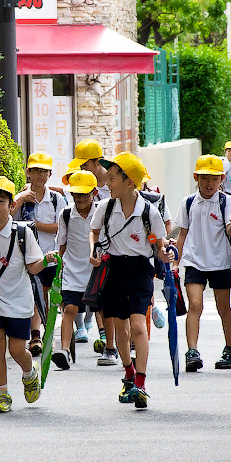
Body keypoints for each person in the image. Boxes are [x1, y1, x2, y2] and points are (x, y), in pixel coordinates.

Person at [88, 153, 173, 409]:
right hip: (113, 269)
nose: (107, 182)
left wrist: (166, 252)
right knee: (121, 329)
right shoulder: (105, 207)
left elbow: (160, 242)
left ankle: (141, 382)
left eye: (112, 178)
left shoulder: (149, 211)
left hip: (140, 271)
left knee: (138, 327)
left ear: (130, 182)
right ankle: (128, 372)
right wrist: (94, 251)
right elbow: (94, 232)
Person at [0, 176, 55, 413]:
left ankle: (30, 372)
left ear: (12, 205)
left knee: (17, 350)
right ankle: (2, 394)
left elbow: (32, 268)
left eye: (0, 200)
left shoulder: (22, 233)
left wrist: (46, 261)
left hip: (19, 300)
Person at [174, 156, 231, 372]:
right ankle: (192, 351)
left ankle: (230, 349)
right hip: (194, 261)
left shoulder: (227, 201)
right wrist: (176, 262)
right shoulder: (188, 202)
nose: (209, 183)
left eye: (214, 178)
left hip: (220, 261)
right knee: (195, 305)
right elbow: (181, 235)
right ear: (197, 178)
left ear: (221, 179)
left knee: (223, 307)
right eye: (204, 178)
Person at [69, 139, 116, 363]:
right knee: (98, 298)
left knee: (108, 300)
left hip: (117, 246)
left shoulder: (114, 181)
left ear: (97, 162)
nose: (82, 167)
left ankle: (114, 342)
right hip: (95, 248)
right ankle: (108, 340)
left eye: (85, 163)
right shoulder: (83, 184)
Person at [13, 153, 62, 357]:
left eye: (44, 171)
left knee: (50, 297)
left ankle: (47, 331)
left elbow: (62, 226)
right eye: (36, 171)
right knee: (35, 295)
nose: (41, 175)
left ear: (49, 174)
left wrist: (37, 226)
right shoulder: (21, 199)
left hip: (52, 256)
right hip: (30, 258)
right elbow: (7, 220)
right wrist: (19, 199)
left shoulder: (56, 199)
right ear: (28, 172)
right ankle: (35, 335)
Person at [52, 170, 98, 370]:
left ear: (94, 193)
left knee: (102, 310)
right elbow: (61, 244)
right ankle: (64, 350)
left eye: (84, 193)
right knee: (69, 309)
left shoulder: (102, 212)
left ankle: (109, 346)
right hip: (71, 268)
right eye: (75, 194)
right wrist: (58, 269)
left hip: (95, 269)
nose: (79, 198)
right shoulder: (66, 214)